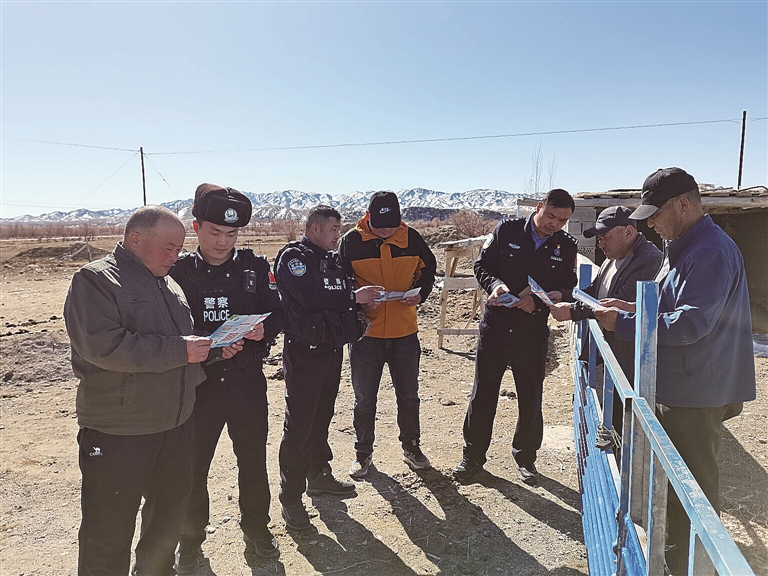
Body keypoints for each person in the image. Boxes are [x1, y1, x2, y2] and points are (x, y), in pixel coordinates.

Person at [594, 167, 756, 575]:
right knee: (675, 482)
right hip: (686, 382)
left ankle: (690, 564)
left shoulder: (709, 252)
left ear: (683, 205)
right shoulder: (686, 246)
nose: (649, 224)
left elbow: (689, 323)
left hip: (696, 388)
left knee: (692, 491)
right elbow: (670, 305)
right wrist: (632, 308)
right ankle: (674, 557)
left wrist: (623, 323)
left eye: (655, 214)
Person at [63, 206, 210, 576]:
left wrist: (216, 348)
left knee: (165, 525)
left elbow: (177, 342)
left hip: (175, 426)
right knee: (108, 533)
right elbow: (103, 345)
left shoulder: (169, 284)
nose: (175, 256)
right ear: (135, 240)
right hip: (119, 431)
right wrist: (181, 350)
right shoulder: (95, 279)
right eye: (168, 248)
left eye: (179, 249)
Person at [170, 184, 285, 571]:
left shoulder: (254, 268)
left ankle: (257, 529)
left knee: (252, 460)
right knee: (193, 466)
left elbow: (278, 311)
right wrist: (210, 344)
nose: (222, 242)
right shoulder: (179, 273)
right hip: (199, 385)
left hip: (246, 381)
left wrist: (263, 331)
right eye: (214, 232)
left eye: (231, 234)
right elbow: (170, 326)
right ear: (196, 228)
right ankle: (190, 540)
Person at [453, 189, 578, 484]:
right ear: (539, 207)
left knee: (530, 396)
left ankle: (526, 458)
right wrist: (494, 285)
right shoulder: (506, 231)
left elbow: (569, 288)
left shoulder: (566, 246)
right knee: (483, 394)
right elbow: (482, 266)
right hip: (496, 326)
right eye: (551, 216)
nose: (555, 224)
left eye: (563, 220)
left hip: (531, 331)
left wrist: (541, 301)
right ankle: (473, 456)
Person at [274, 205, 382, 530]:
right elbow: (310, 296)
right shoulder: (293, 258)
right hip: (304, 353)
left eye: (339, 229)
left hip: (330, 349)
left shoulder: (332, 261)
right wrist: (352, 296)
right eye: (334, 229)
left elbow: (337, 298)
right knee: (299, 425)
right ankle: (291, 498)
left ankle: (319, 475)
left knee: (321, 417)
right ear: (315, 228)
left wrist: (359, 305)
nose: (338, 235)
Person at [339, 191, 437, 478]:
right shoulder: (350, 242)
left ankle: (412, 448)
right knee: (364, 398)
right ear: (368, 217)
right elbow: (339, 282)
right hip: (365, 335)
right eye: (380, 226)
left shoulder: (412, 239)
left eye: (392, 226)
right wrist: (357, 300)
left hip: (404, 332)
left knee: (409, 395)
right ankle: (363, 453)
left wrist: (421, 295)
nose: (386, 232)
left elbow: (428, 271)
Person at [549, 205, 662, 432]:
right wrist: (565, 295)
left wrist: (572, 311)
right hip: (613, 349)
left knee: (622, 416)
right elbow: (595, 291)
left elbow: (617, 304)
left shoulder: (648, 260)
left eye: (605, 237)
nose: (601, 244)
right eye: (599, 239)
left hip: (628, 356)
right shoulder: (614, 256)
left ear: (628, 232)